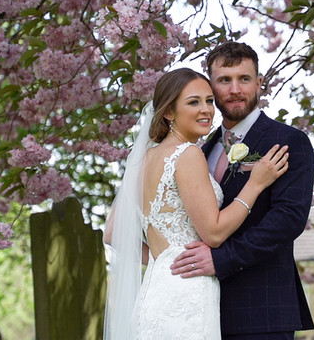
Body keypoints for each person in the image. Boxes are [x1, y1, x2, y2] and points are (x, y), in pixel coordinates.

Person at [102, 68, 290, 339]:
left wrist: (164, 259)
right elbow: (212, 234)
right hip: (187, 293)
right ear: (168, 112)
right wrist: (256, 184)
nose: (207, 110)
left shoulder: (142, 159)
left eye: (209, 101)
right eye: (194, 102)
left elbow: (111, 234)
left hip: (154, 292)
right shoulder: (188, 154)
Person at [170, 42, 314, 339]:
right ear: (211, 87)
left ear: (259, 83)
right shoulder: (201, 149)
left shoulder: (289, 140)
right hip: (201, 309)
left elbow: (288, 219)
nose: (235, 89)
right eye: (225, 80)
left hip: (261, 312)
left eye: (244, 79)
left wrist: (221, 259)